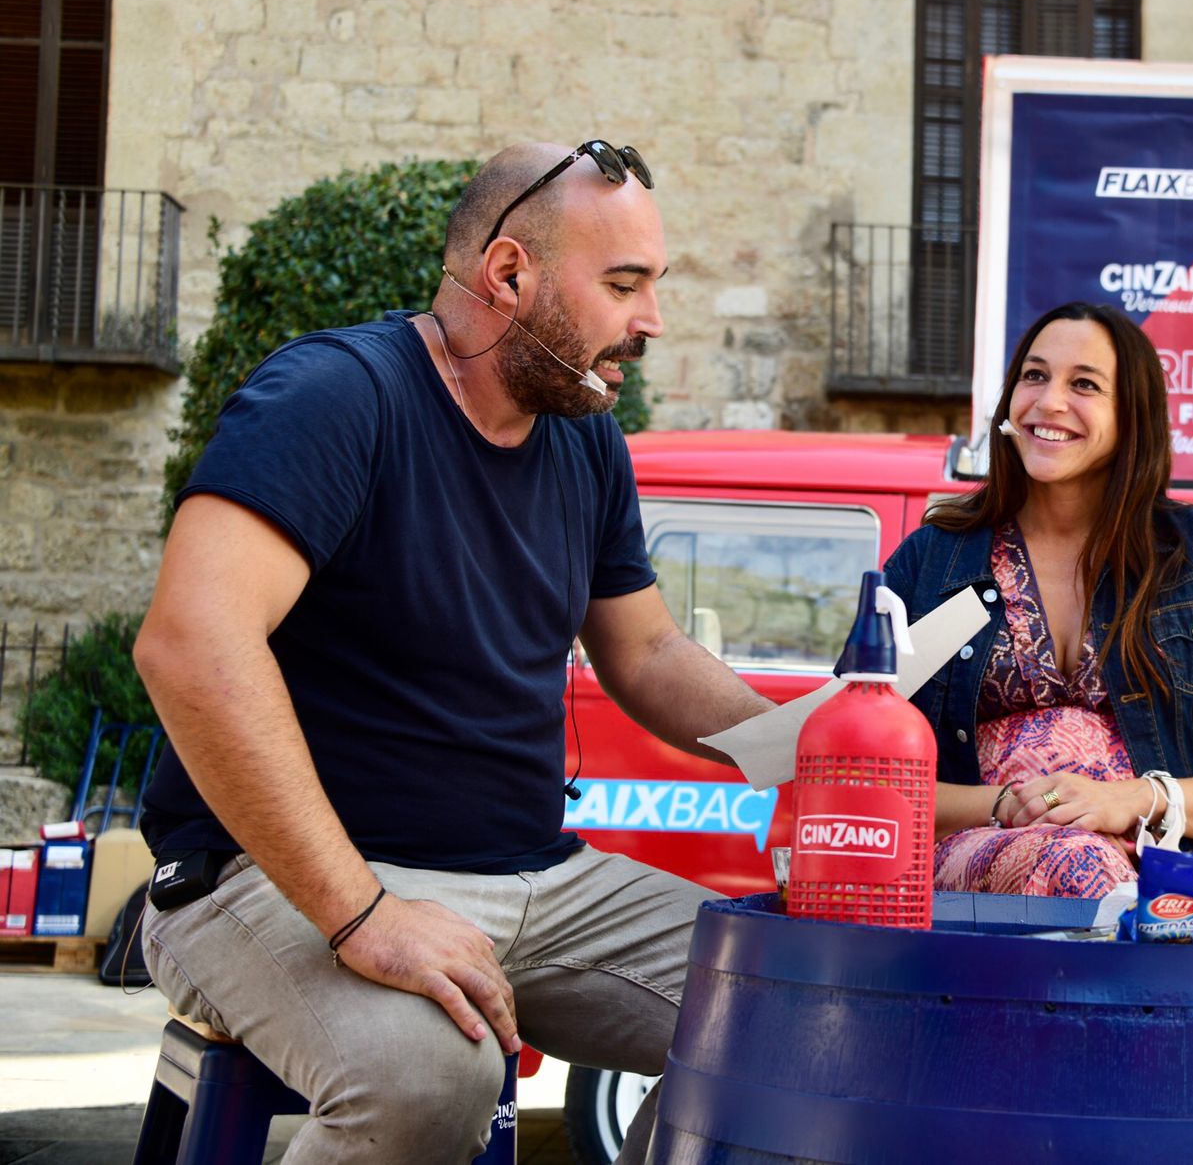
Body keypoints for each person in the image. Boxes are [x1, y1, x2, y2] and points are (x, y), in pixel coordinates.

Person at [134, 140, 773, 1164]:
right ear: (508, 273)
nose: (650, 320)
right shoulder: (338, 395)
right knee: (432, 1073)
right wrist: (364, 912)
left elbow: (645, 651)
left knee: (801, 1013)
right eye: (622, 285)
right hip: (268, 877)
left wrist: (806, 746)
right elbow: (190, 643)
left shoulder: (585, 437)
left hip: (536, 880)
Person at [881, 301, 1193, 898]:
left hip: (1168, 872)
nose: (1049, 401)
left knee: (1119, 880)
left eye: (1084, 384)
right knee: (1077, 864)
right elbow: (861, 777)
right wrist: (1013, 806)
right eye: (1034, 375)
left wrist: (1132, 799)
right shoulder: (932, 559)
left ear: (1132, 417)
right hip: (969, 875)